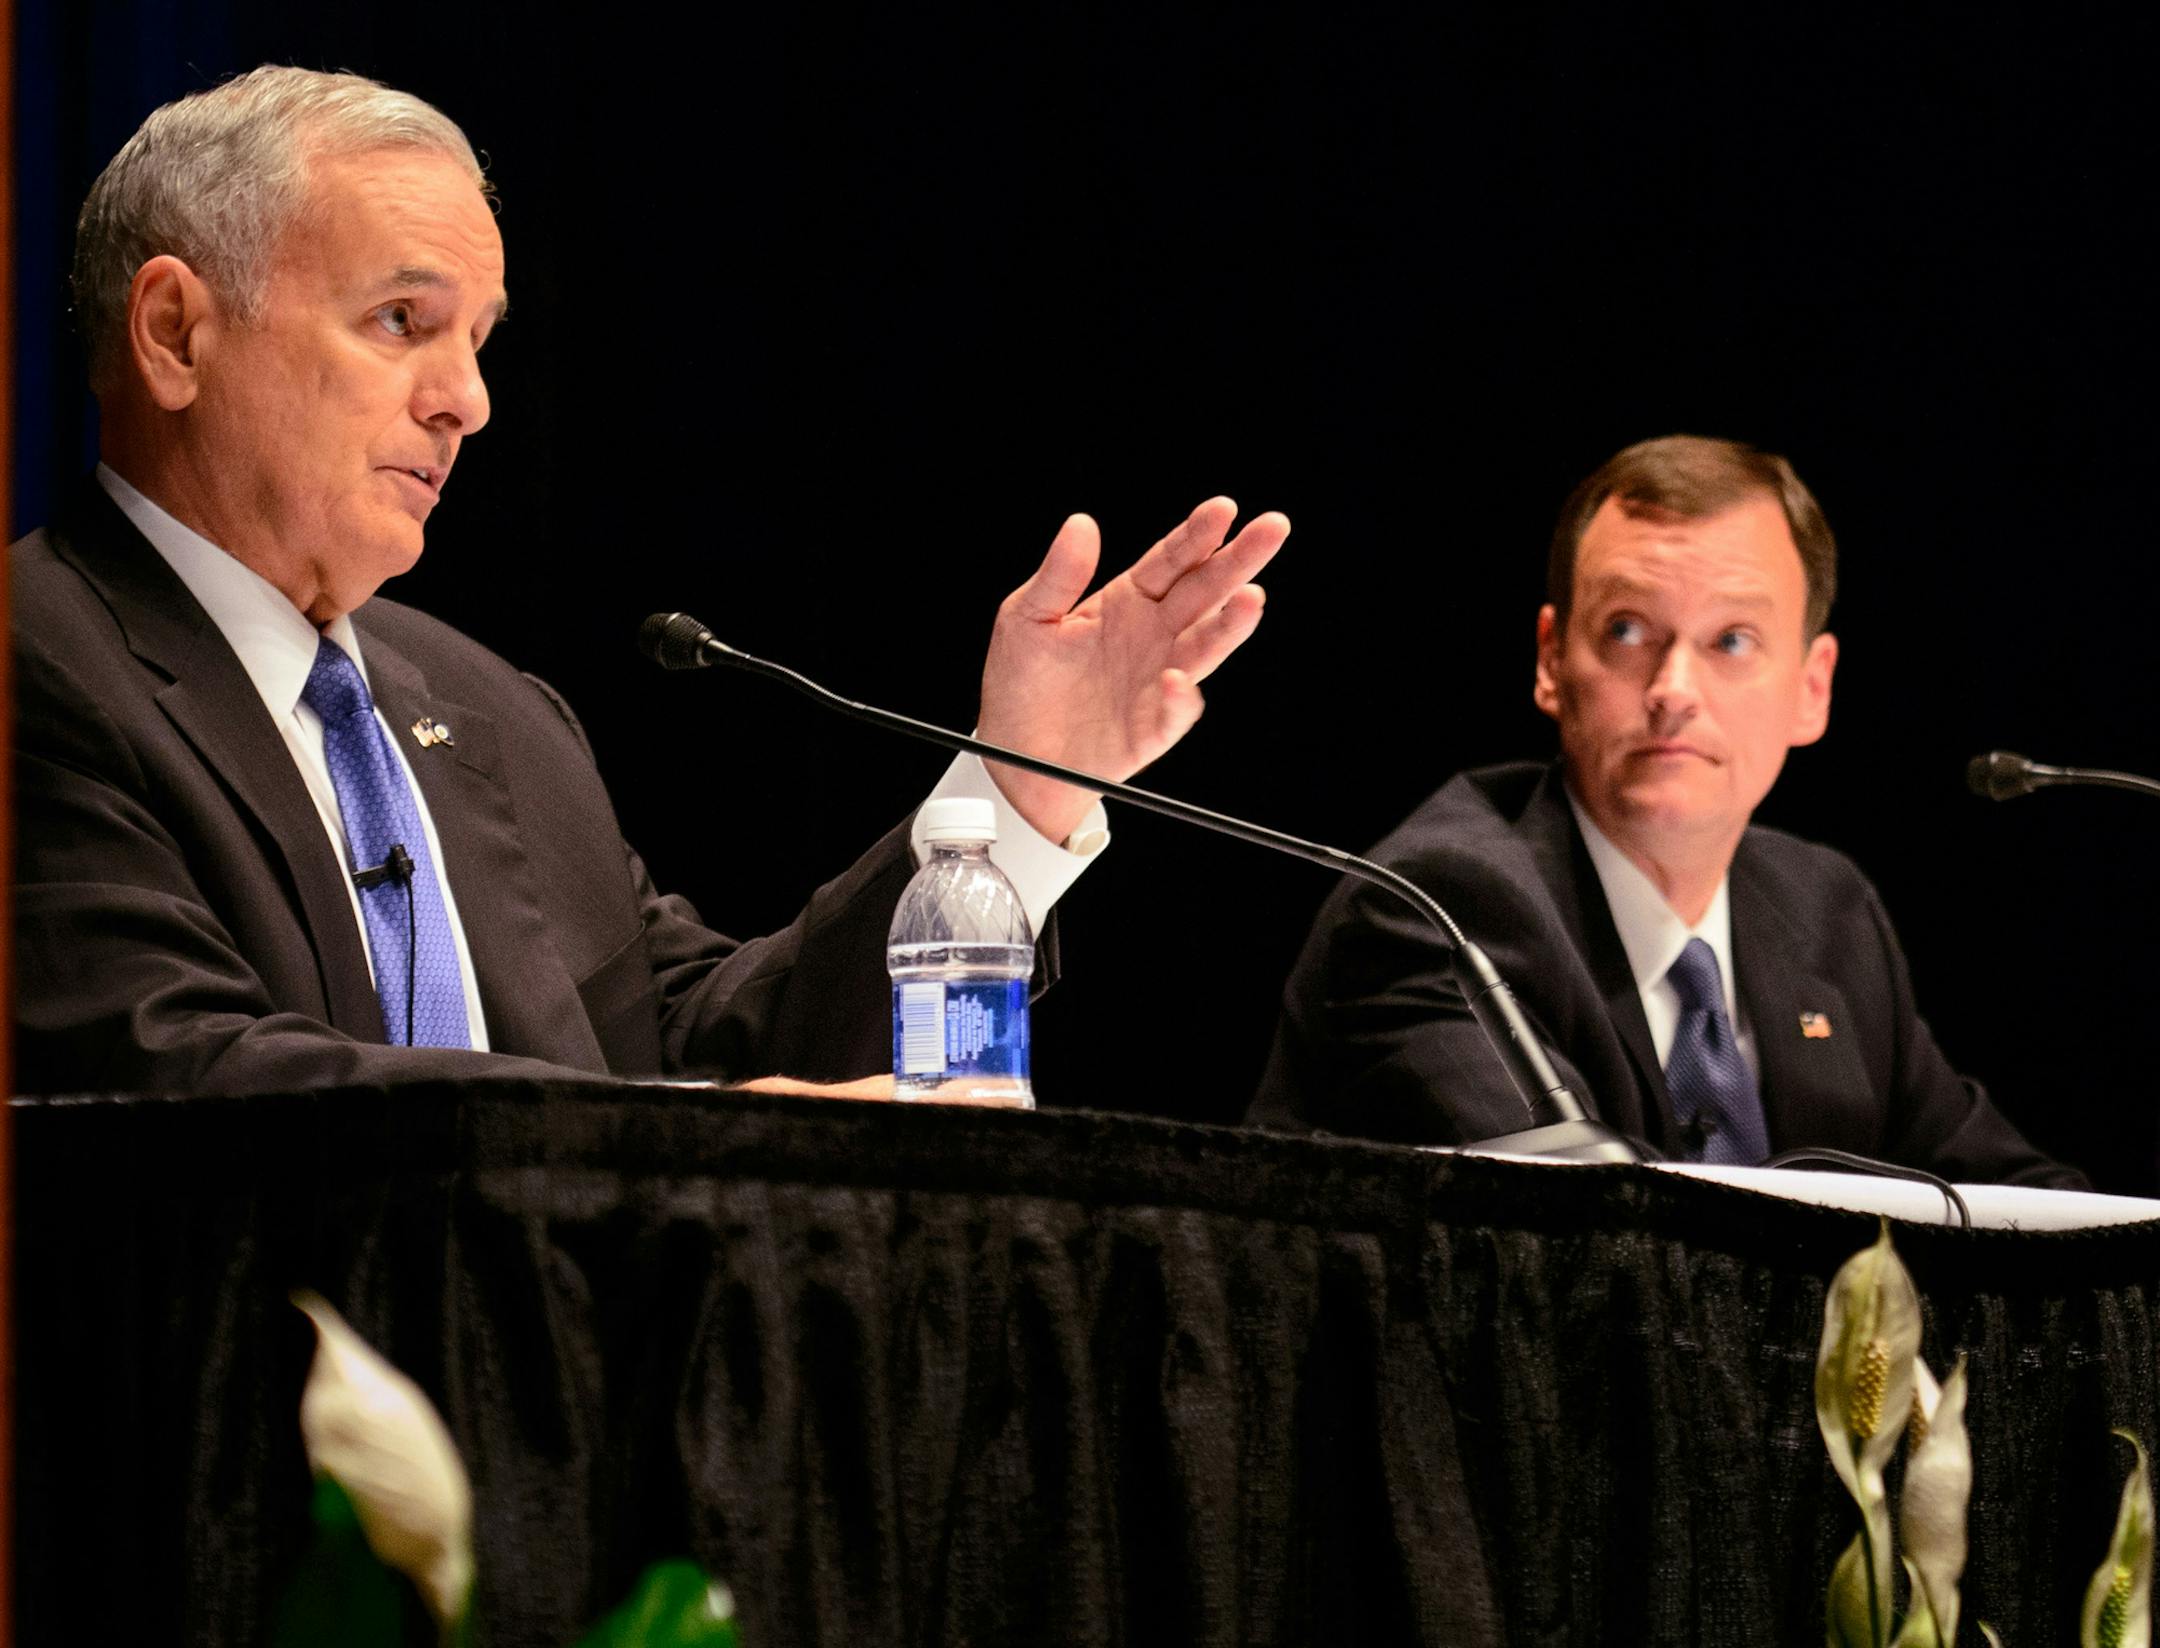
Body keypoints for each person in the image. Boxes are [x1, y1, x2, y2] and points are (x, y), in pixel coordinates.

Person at [10, 66, 1290, 1096]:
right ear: (177, 332)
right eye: (404, 320)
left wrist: (1016, 785)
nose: (468, 399)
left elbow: (713, 1045)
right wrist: (663, 1157)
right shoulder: (40, 661)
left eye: (480, 339)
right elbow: (178, 1078)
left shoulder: (492, 714)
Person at [1249, 434, 2078, 1187]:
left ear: (1812, 688)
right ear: (1550, 659)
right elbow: (1575, 1252)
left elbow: (2018, 1204)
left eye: (1732, 641)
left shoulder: (1826, 912)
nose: (1674, 691)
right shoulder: (1440, 912)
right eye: (1627, 629)